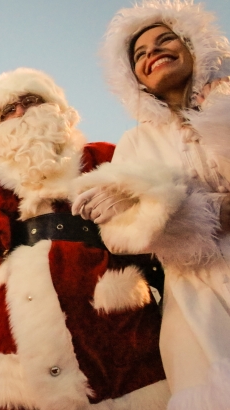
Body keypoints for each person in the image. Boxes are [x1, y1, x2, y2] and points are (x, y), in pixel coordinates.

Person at [0, 67, 169, 409]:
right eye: (9, 110)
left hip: (110, 327)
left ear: (59, 110)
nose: (21, 112)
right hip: (23, 340)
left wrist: (134, 199)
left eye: (31, 101)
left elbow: (157, 231)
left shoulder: (102, 156)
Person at [72, 1, 230, 407]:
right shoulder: (135, 143)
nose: (152, 53)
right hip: (194, 305)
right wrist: (144, 213)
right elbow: (121, 238)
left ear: (194, 45)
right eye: (139, 55)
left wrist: (219, 120)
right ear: (134, 78)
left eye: (165, 40)